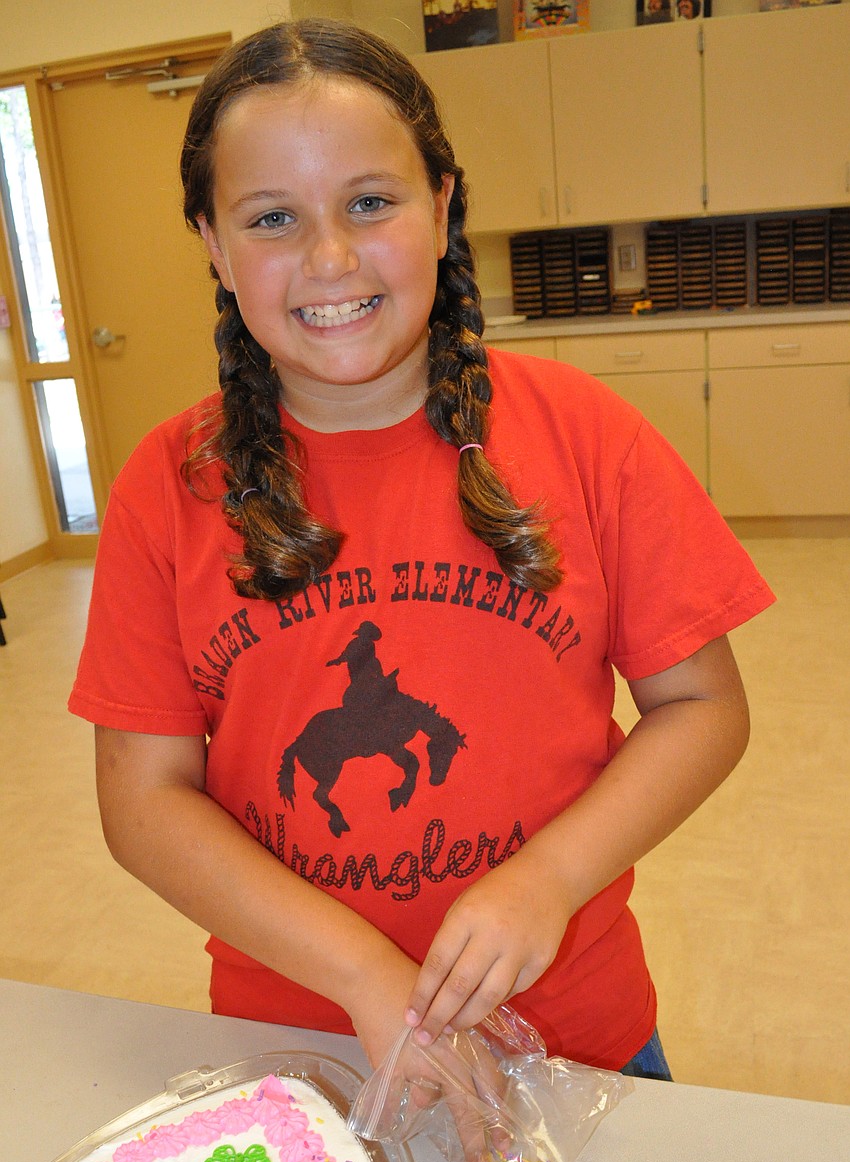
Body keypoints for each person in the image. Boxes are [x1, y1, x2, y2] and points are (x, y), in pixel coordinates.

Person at [69, 19, 774, 1085]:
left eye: (369, 201)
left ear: (442, 205)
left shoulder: (587, 433)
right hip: (302, 1044)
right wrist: (361, 971)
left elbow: (703, 707)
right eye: (272, 218)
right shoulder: (164, 487)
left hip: (573, 1032)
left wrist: (546, 879)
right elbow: (142, 799)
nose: (330, 259)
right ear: (212, 243)